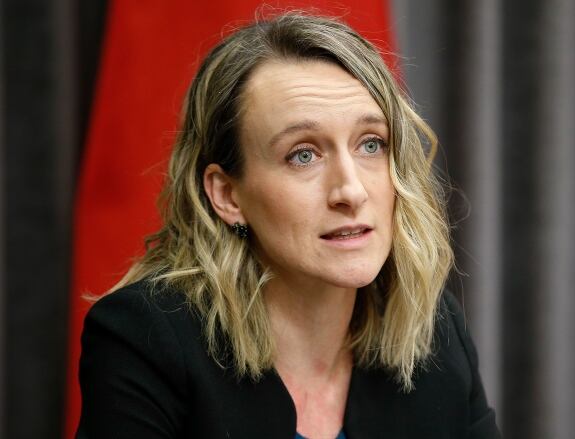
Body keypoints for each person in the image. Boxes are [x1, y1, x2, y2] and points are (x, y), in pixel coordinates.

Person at [77, 12, 501, 439]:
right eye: (303, 154)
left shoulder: (434, 330)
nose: (351, 191)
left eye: (371, 144)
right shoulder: (147, 339)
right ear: (227, 195)